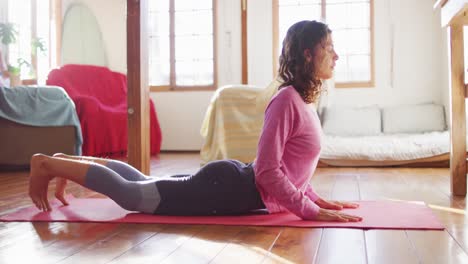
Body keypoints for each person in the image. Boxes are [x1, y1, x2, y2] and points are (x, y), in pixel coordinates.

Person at [29, 20, 362, 222]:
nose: (336, 55)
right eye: (329, 48)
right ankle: (45, 164)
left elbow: (293, 167)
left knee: (142, 183)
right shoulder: (287, 99)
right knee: (133, 197)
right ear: (307, 53)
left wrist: (315, 199)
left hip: (232, 184)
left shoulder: (301, 101)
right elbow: (268, 170)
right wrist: (306, 209)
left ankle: (62, 162)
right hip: (230, 189)